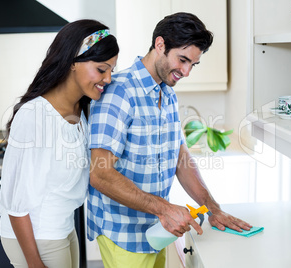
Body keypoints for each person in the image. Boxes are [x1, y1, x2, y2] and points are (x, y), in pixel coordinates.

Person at [87, 12, 252, 268]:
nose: (186, 72)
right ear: (160, 45)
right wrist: (165, 209)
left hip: (157, 230)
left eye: (193, 64)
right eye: (182, 59)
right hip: (124, 234)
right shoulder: (119, 92)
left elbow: (181, 158)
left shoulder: (168, 94)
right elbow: (100, 174)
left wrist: (213, 208)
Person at [0, 19, 118, 268]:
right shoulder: (35, 116)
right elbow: (15, 202)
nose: (109, 78)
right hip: (38, 234)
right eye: (102, 69)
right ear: (74, 62)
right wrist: (33, 262)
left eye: (112, 70)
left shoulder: (81, 110)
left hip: (62, 225)